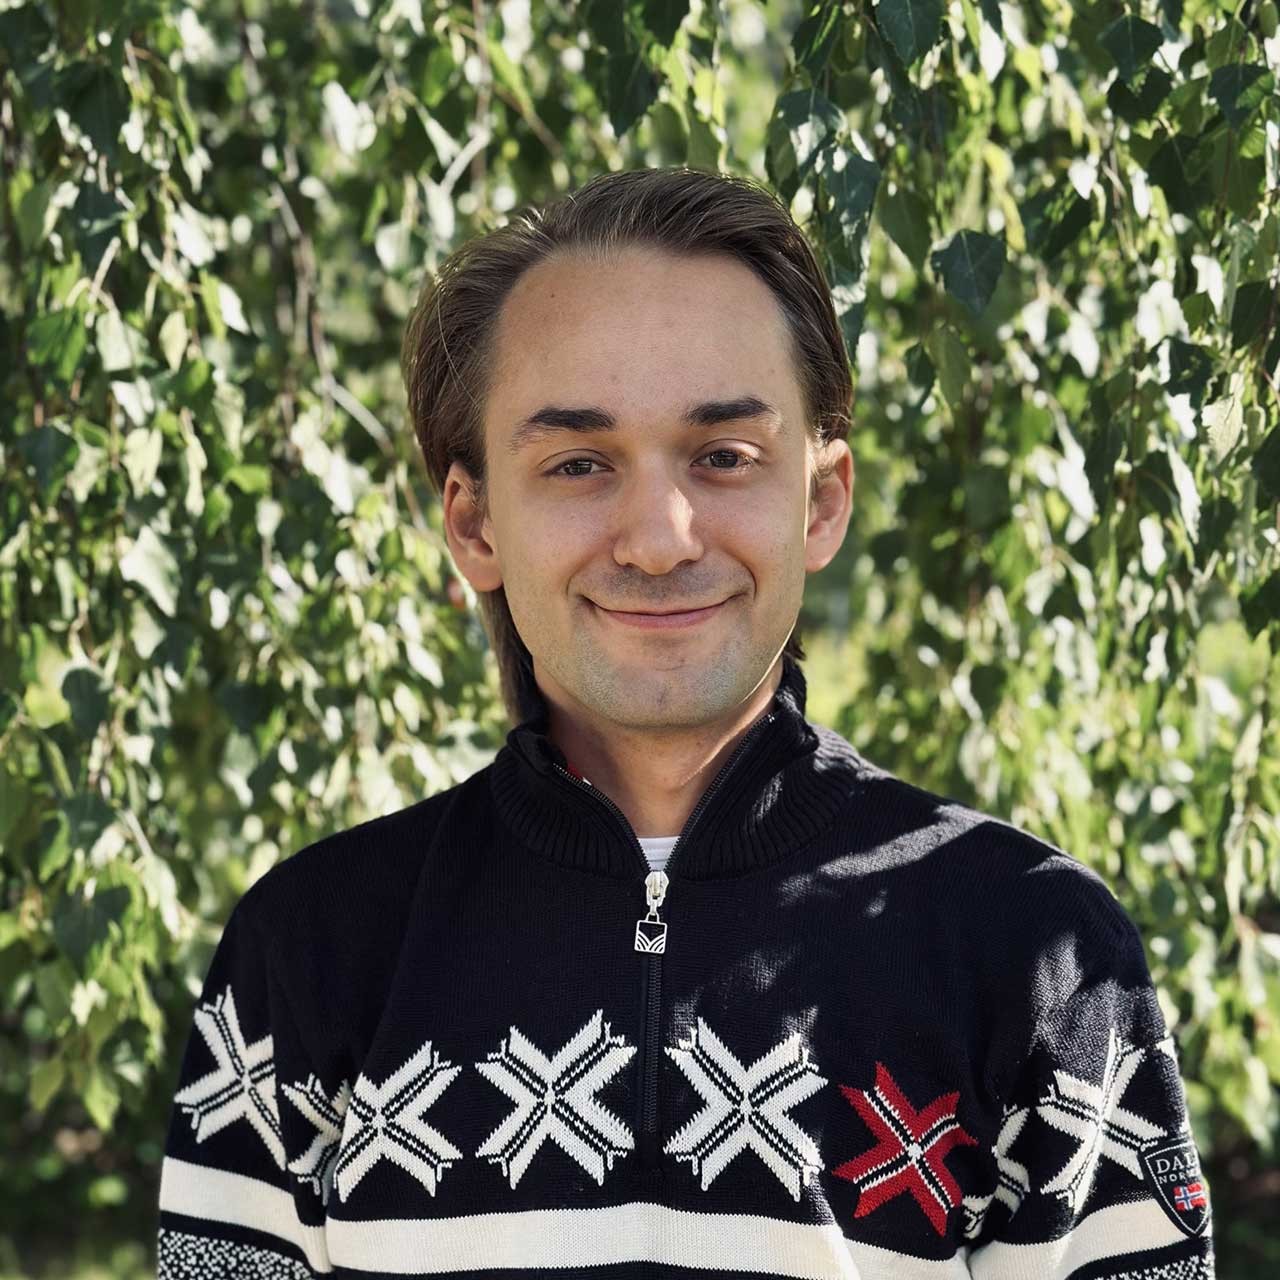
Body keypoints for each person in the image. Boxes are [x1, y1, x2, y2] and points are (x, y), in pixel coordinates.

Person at [155, 167, 1214, 1279]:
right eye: (577, 463)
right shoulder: (309, 953)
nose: (659, 538)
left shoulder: (1035, 953)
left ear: (820, 500)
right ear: (473, 524)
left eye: (722, 457)